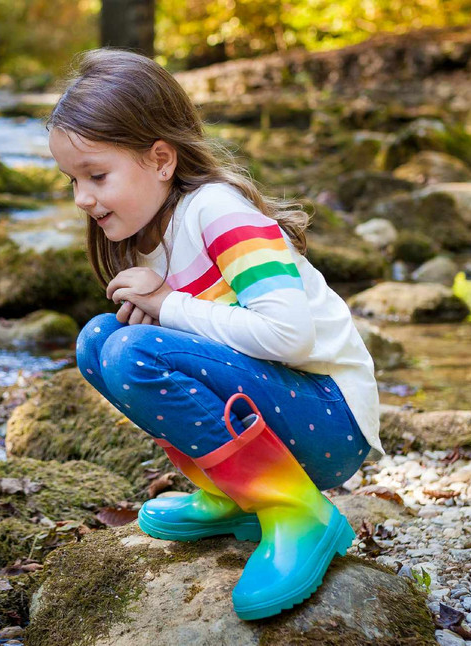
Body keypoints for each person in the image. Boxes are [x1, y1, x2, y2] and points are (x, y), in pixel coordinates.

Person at [50, 48, 383, 620]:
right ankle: (233, 495)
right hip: (280, 414)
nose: (82, 198)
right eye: (72, 180)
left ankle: (297, 512)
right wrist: (164, 314)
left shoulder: (218, 211)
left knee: (132, 351)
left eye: (96, 176)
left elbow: (290, 337)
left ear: (160, 159)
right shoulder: (151, 233)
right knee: (98, 342)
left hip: (330, 417)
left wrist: (168, 306)